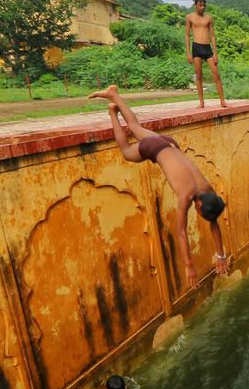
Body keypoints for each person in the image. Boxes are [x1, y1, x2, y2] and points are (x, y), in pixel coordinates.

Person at [89, 85, 230, 287]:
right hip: (155, 148)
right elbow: (181, 232)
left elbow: (213, 221)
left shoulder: (208, 192)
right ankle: (112, 112)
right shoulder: (187, 195)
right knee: (127, 151)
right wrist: (189, 265)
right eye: (200, 213)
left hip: (168, 143)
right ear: (198, 206)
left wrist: (220, 255)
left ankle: (113, 95)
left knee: (134, 125)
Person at [185, 0, 228, 108]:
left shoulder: (209, 18)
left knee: (216, 75)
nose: (202, 7)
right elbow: (187, 35)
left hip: (207, 48)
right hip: (196, 47)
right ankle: (201, 102)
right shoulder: (189, 17)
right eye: (200, 5)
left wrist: (215, 53)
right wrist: (188, 53)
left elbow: (212, 36)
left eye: (204, 5)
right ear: (195, 5)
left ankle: (222, 101)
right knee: (199, 76)